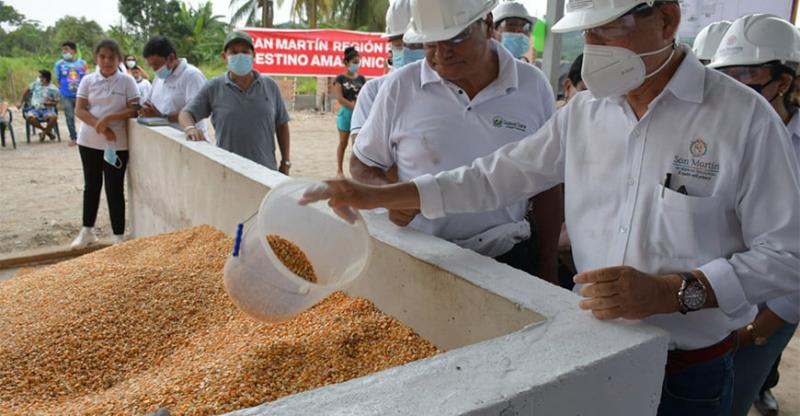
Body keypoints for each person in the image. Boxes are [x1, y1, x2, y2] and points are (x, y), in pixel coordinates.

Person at [301, 1, 800, 415]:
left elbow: (785, 256)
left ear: (665, 20)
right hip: (594, 347)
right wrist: (379, 195)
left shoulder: (743, 119)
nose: (594, 53)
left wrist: (674, 293)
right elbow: (493, 177)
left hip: (690, 370)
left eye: (606, 34)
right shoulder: (585, 113)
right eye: (587, 38)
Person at [350, 0, 562, 284]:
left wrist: (548, 266)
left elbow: (547, 184)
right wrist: (390, 195)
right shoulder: (400, 87)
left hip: (507, 258)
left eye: (455, 38)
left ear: (487, 25)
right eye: (429, 43)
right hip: (421, 257)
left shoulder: (532, 86)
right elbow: (362, 163)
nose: (442, 53)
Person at [707, 14, 800, 416]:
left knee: (731, 398)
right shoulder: (712, 134)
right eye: (726, 74)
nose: (734, 86)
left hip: (771, 303)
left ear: (783, 81)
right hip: (708, 295)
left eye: (748, 74)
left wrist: (768, 321)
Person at [179, 31, 291, 174]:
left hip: (266, 171)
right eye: (234, 52)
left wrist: (285, 162)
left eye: (245, 52)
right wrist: (190, 128)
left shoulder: (269, 85)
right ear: (224, 57)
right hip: (228, 171)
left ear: (253, 56)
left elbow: (282, 125)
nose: (240, 56)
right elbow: (186, 114)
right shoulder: (214, 86)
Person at [70, 39, 140, 248]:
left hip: (116, 145)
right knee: (91, 186)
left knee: (114, 188)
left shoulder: (127, 82)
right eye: (102, 56)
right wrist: (100, 125)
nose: (107, 61)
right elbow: (79, 109)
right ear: (96, 58)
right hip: (89, 142)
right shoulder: (88, 80)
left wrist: (110, 118)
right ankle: (87, 231)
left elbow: (135, 109)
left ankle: (118, 236)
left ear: (119, 59)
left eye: (112, 57)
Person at [350, 0, 423, 144]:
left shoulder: (453, 89)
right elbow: (362, 159)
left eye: (415, 44)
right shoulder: (373, 92)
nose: (407, 50)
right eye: (398, 44)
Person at [140, 36, 207, 129]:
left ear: (171, 58)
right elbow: (149, 103)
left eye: (156, 64)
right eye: (151, 65)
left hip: (187, 139)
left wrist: (162, 117)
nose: (154, 69)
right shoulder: (158, 77)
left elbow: (196, 112)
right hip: (164, 137)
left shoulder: (192, 76)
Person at [333, 47, 366, 176]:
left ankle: (358, 170)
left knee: (358, 144)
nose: (356, 65)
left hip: (359, 114)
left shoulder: (361, 79)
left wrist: (359, 108)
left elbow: (365, 95)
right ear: (346, 62)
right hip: (346, 114)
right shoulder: (340, 78)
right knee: (343, 142)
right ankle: (340, 170)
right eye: (354, 62)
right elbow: (340, 98)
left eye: (358, 62)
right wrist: (353, 107)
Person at [53, 41, 89, 146]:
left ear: (73, 51)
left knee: (85, 115)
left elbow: (87, 78)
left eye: (66, 49)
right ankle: (73, 137)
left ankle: (87, 136)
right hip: (66, 94)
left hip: (81, 95)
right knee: (69, 116)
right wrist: (61, 91)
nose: (64, 52)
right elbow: (58, 79)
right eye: (63, 50)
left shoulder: (83, 63)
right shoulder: (59, 64)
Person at [18, 70, 60, 142]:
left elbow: (57, 102)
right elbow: (26, 90)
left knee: (54, 117)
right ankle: (47, 132)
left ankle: (44, 133)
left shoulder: (54, 89)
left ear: (45, 78)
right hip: (35, 108)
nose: (39, 78)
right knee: (29, 117)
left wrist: (50, 103)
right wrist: (20, 102)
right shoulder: (36, 84)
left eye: (41, 77)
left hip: (47, 109)